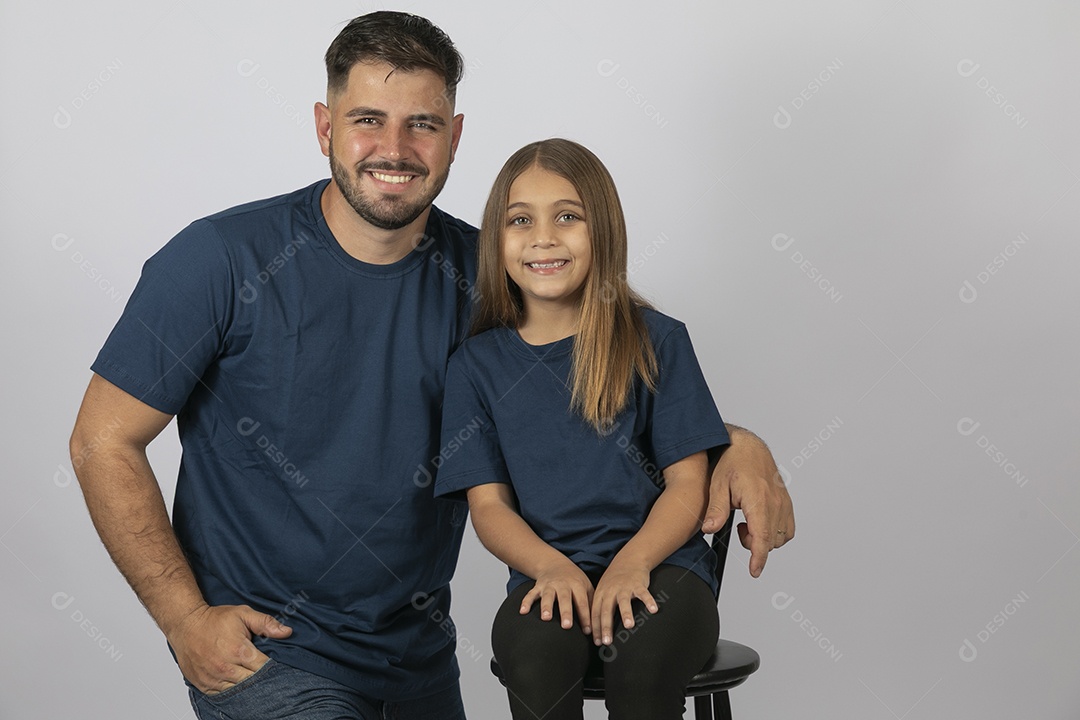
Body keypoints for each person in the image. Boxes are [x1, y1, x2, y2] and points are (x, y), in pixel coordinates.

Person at [67, 11, 794, 720]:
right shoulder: (220, 260)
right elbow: (102, 440)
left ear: (454, 137)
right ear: (325, 127)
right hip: (272, 659)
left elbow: (596, 389)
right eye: (367, 120)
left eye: (422, 123)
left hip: (416, 663)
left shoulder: (489, 277)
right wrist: (183, 618)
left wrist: (736, 443)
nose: (395, 147)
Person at [434, 139, 729, 720]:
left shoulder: (657, 340)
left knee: (641, 668)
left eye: (567, 216)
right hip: (547, 571)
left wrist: (632, 562)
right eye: (521, 220)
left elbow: (687, 486)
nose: (543, 237)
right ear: (497, 239)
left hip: (663, 570)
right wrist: (547, 566)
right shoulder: (475, 366)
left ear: (605, 232)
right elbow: (489, 507)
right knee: (536, 661)